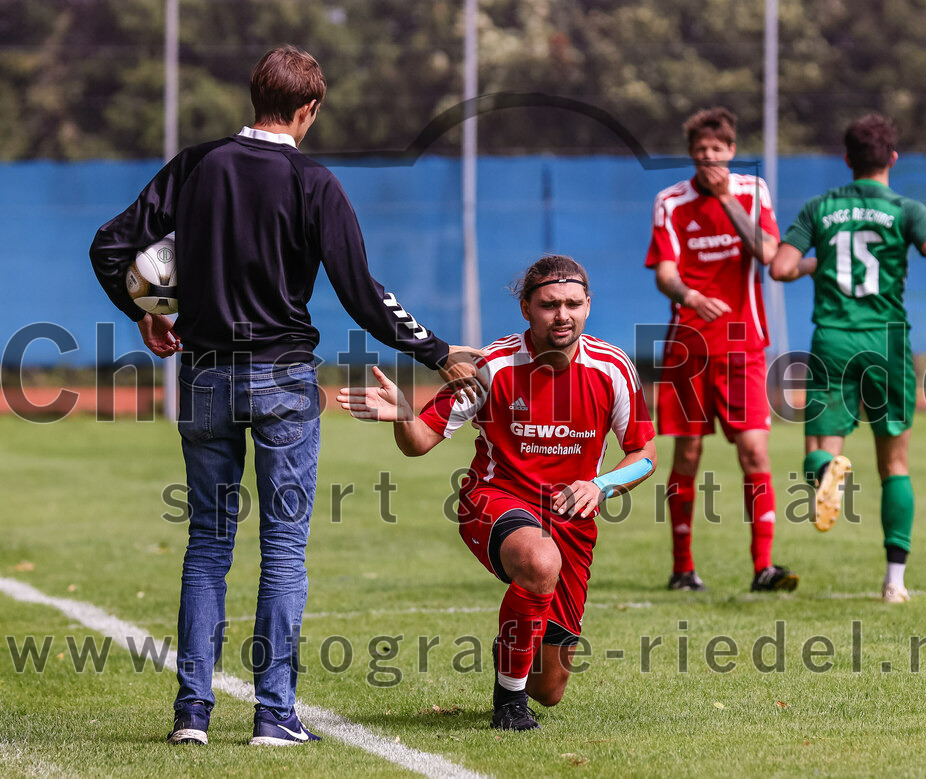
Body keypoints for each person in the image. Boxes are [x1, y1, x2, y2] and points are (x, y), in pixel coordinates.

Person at [90, 46, 476, 746]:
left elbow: (109, 247)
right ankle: (274, 713)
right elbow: (362, 292)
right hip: (282, 378)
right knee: (284, 549)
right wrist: (436, 351)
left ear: (253, 97)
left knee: (207, 544)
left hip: (203, 375)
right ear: (308, 110)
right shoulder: (313, 180)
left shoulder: (196, 165)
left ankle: (191, 715)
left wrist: (146, 311)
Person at [339, 255, 657, 731]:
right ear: (526, 307)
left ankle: (516, 648)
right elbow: (420, 442)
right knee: (539, 562)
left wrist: (599, 484)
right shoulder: (490, 367)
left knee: (549, 690)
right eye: (550, 304)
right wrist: (405, 415)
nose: (563, 315)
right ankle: (508, 704)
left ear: (589, 305)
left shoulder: (613, 369)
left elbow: (644, 455)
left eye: (573, 303)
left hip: (571, 522)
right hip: (493, 500)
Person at [770, 113, 926, 603]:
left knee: (817, 452)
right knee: (896, 465)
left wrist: (815, 260)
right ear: (892, 158)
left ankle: (828, 469)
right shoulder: (906, 209)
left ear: (846, 160)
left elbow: (781, 267)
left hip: (833, 341)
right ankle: (894, 582)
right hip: (887, 344)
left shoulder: (820, 207)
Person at [645, 107, 797, 593]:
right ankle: (682, 569)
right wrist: (689, 295)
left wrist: (728, 199)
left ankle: (763, 567)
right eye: (700, 151)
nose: (709, 157)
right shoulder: (670, 201)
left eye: (717, 149)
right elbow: (665, 271)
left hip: (743, 345)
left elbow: (770, 254)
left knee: (754, 450)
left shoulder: (752, 194)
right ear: (691, 154)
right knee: (687, 455)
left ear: (731, 151)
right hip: (688, 344)